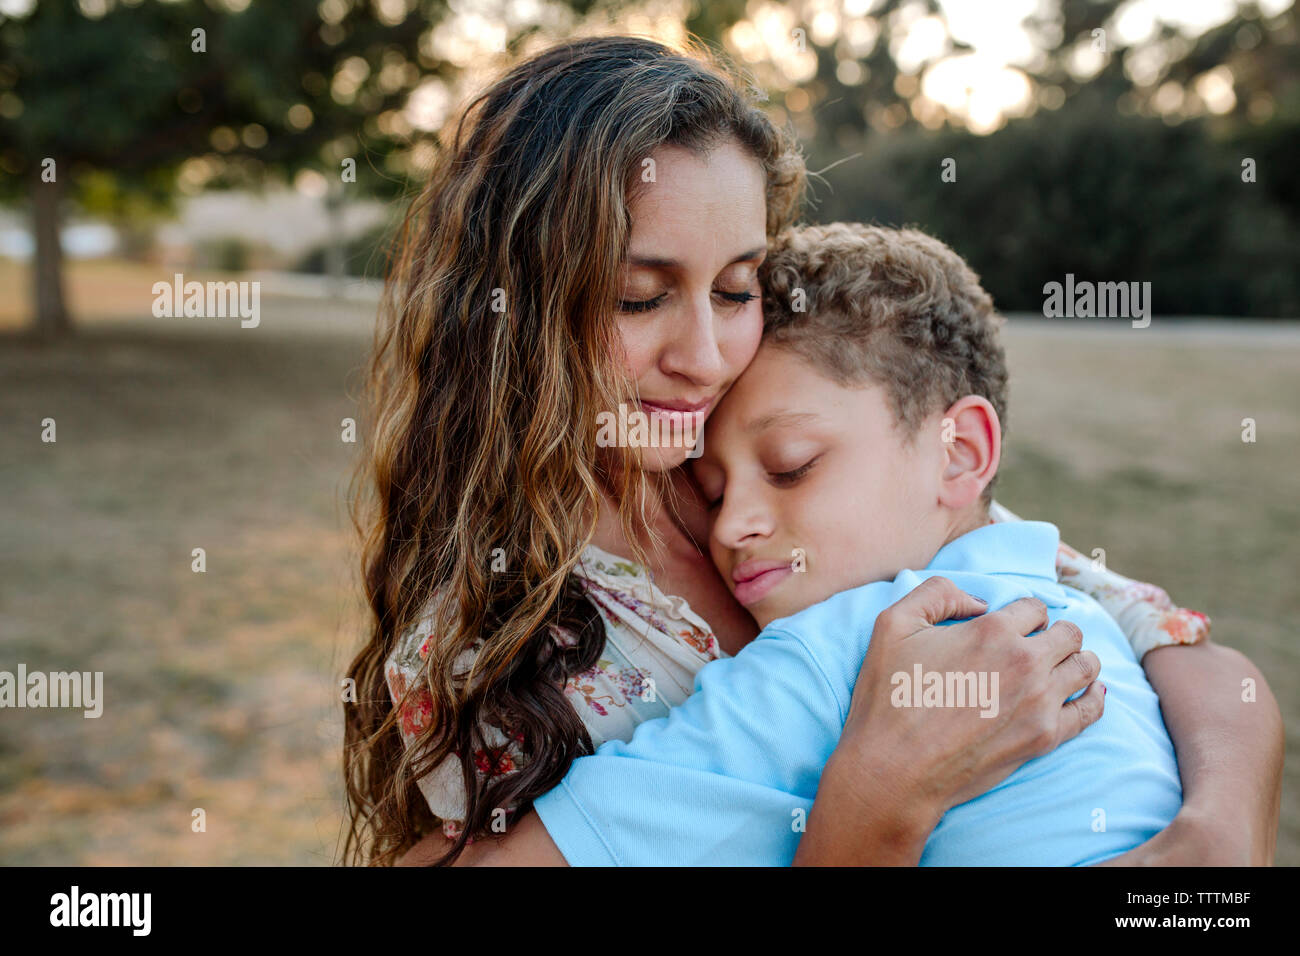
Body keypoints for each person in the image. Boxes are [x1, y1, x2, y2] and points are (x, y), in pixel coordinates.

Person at [343, 36, 1283, 868]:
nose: (704, 359)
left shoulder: (765, 453)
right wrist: (874, 810)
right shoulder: (491, 635)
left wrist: (1216, 837)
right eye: (640, 297)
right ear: (514, 305)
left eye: (736, 288)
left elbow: (1178, 647)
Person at [528, 223, 1185, 865]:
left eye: (791, 466)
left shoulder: (841, 650)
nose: (730, 528)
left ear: (960, 456)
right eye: (714, 493)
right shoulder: (1095, 619)